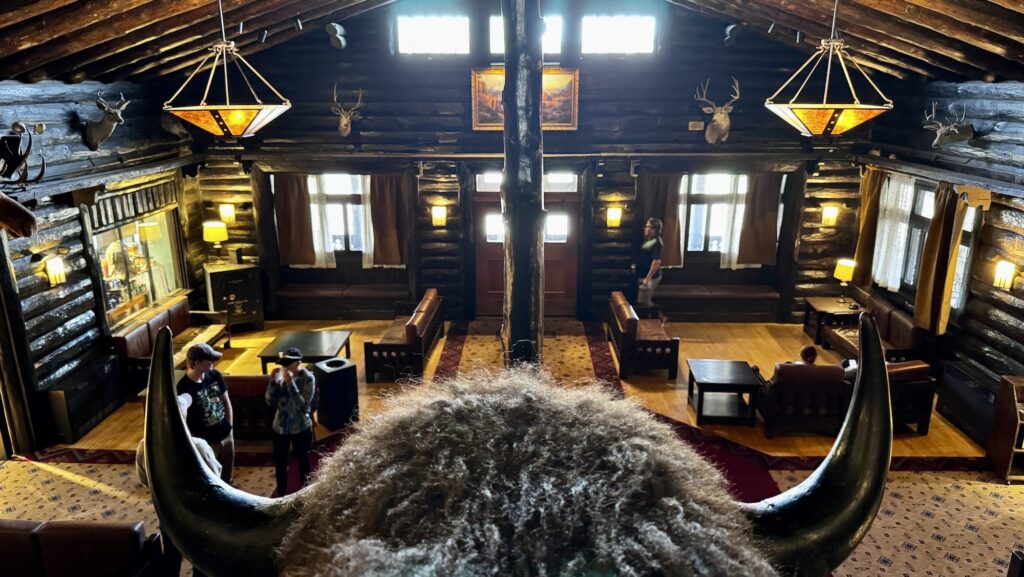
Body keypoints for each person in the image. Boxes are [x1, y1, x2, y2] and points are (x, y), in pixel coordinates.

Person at [177, 343, 234, 484]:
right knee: (211, 477)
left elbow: (226, 401)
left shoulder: (215, 375)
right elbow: (182, 418)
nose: (214, 361)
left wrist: (229, 426)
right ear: (197, 363)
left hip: (225, 433)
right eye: (210, 359)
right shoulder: (183, 387)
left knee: (227, 473)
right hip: (206, 441)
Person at [266, 347, 316, 497]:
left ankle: (306, 495)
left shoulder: (308, 378)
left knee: (303, 462)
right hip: (280, 428)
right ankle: (281, 495)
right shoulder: (279, 376)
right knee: (280, 463)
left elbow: (303, 405)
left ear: (298, 363)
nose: (286, 367)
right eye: (284, 364)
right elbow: (269, 400)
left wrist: (291, 385)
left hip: (300, 427)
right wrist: (273, 383)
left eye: (289, 364)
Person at [632, 217, 664, 307]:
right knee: (641, 300)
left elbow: (656, 262)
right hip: (643, 274)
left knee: (644, 301)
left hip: (651, 277)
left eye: (648, 226)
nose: (645, 228)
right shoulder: (650, 240)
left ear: (654, 229)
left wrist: (648, 278)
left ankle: (660, 318)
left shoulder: (657, 242)